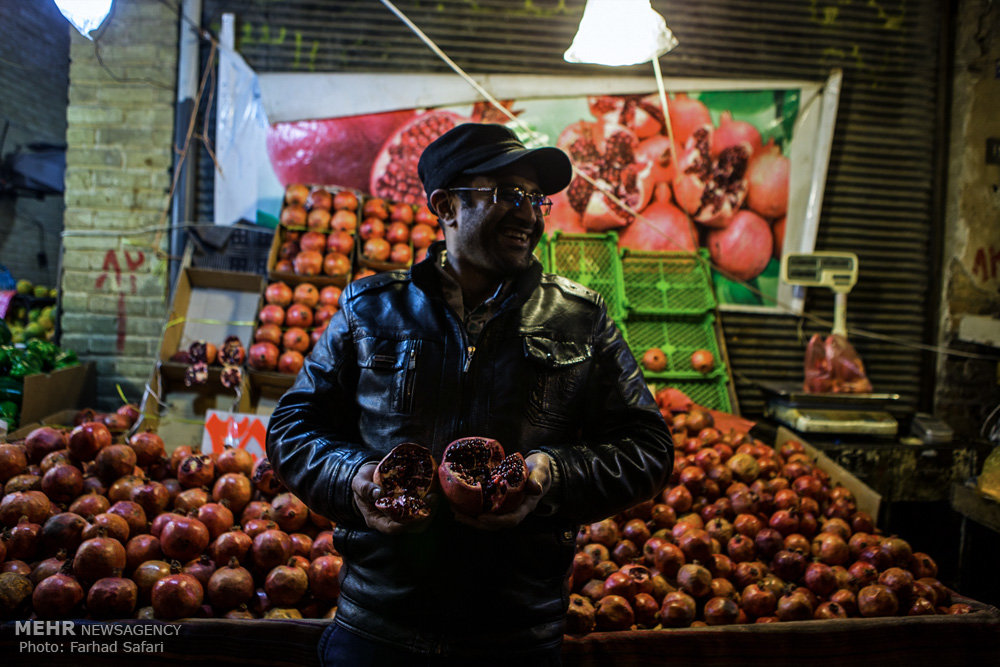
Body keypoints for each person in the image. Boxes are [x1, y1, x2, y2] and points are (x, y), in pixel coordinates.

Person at [265, 122, 673, 666]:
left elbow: (647, 449)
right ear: (447, 205)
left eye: (535, 199)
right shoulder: (368, 309)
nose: (528, 214)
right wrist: (353, 477)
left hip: (517, 636)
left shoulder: (581, 318)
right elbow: (292, 427)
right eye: (507, 194)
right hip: (377, 624)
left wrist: (550, 474)